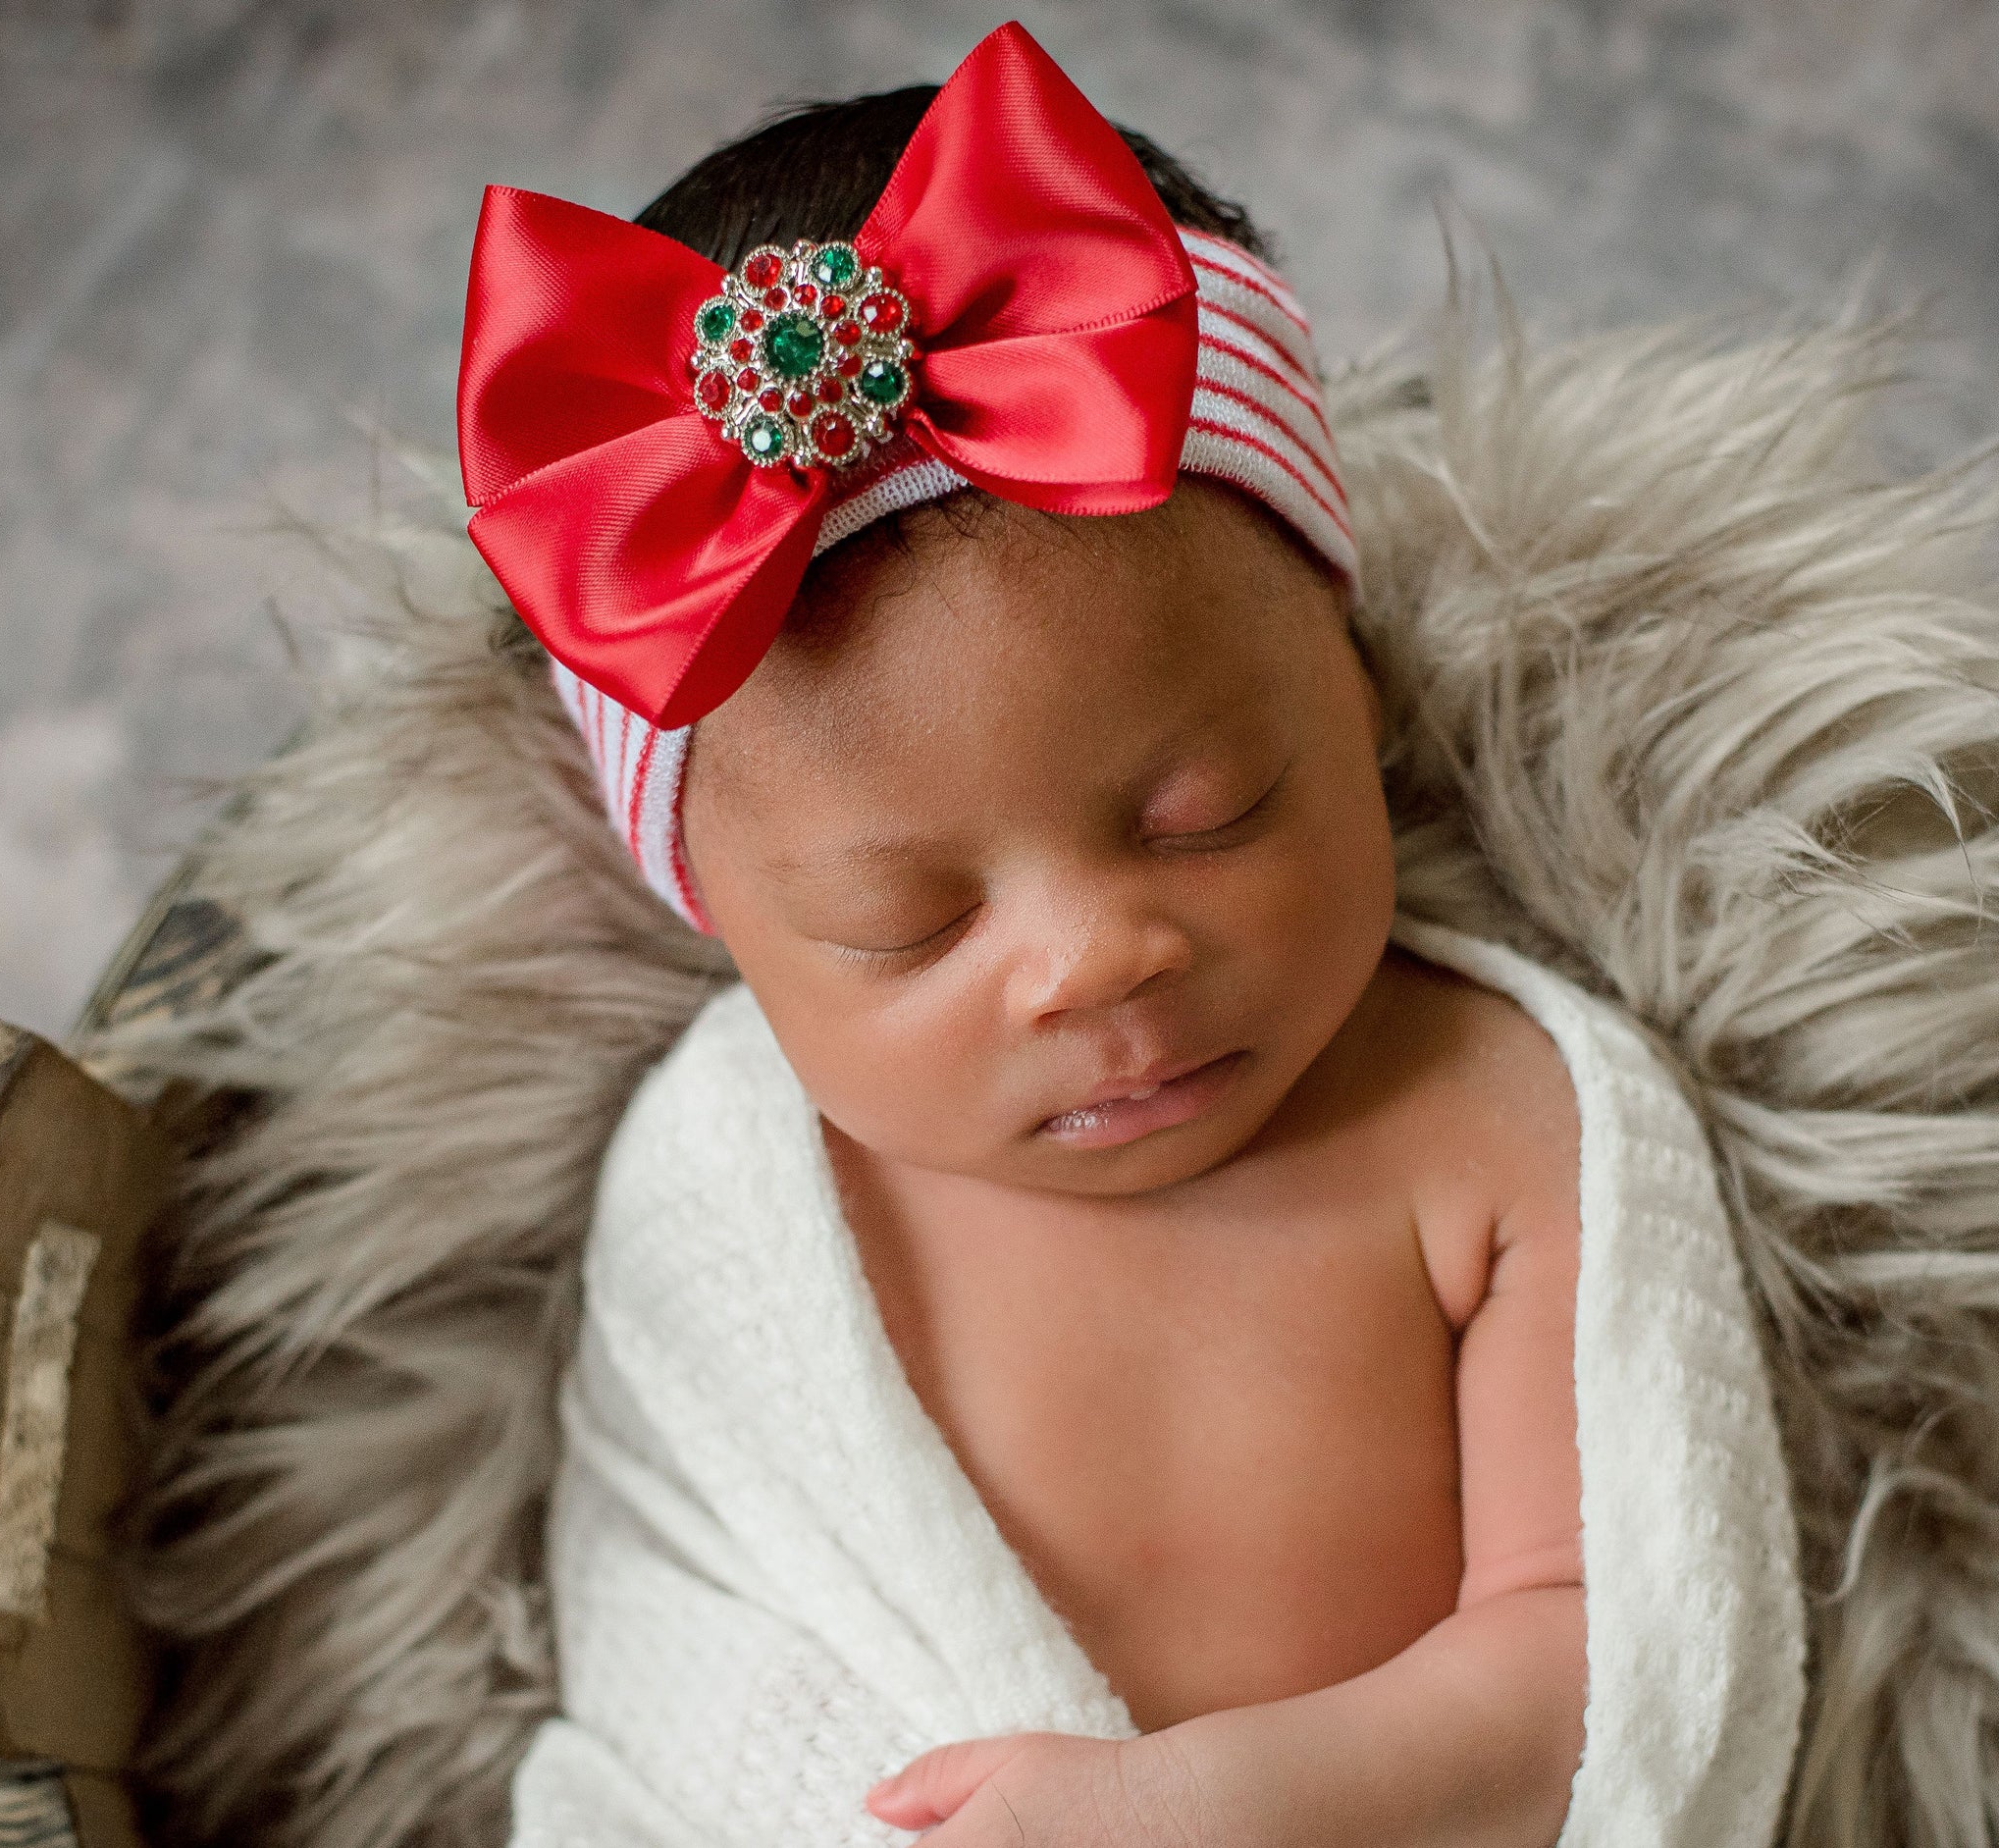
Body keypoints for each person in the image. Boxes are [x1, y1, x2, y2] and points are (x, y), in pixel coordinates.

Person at [457, 23, 1597, 1846]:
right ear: (726, 925)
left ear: (1354, 677)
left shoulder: (1487, 1122)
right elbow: (681, 1679)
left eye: (1204, 813)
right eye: (901, 926)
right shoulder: (736, 1191)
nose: (1093, 963)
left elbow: (1598, 1665)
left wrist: (1211, 1806)